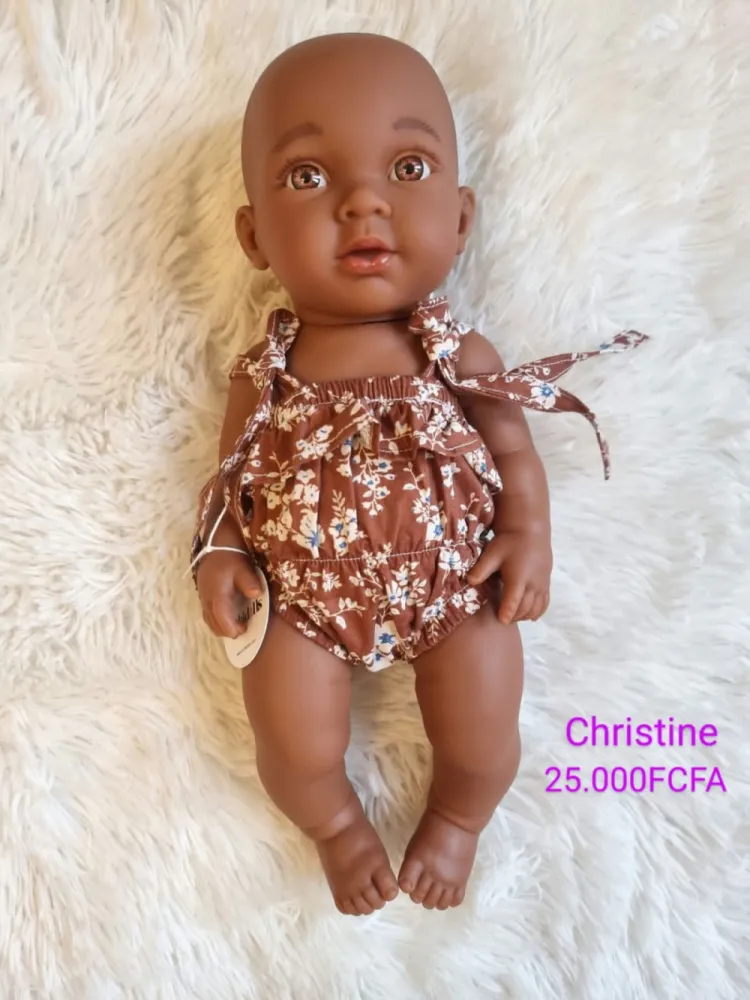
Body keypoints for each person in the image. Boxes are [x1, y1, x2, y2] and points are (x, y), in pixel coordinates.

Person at [190, 32, 646, 915]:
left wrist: (527, 535)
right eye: (307, 177)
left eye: (407, 168)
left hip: (456, 587)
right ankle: (335, 826)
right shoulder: (264, 372)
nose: (363, 203)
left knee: (482, 731)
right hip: (303, 603)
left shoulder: (457, 354)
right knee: (290, 743)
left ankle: (459, 817)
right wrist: (223, 554)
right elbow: (229, 480)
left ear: (462, 218)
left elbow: (513, 454)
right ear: (253, 236)